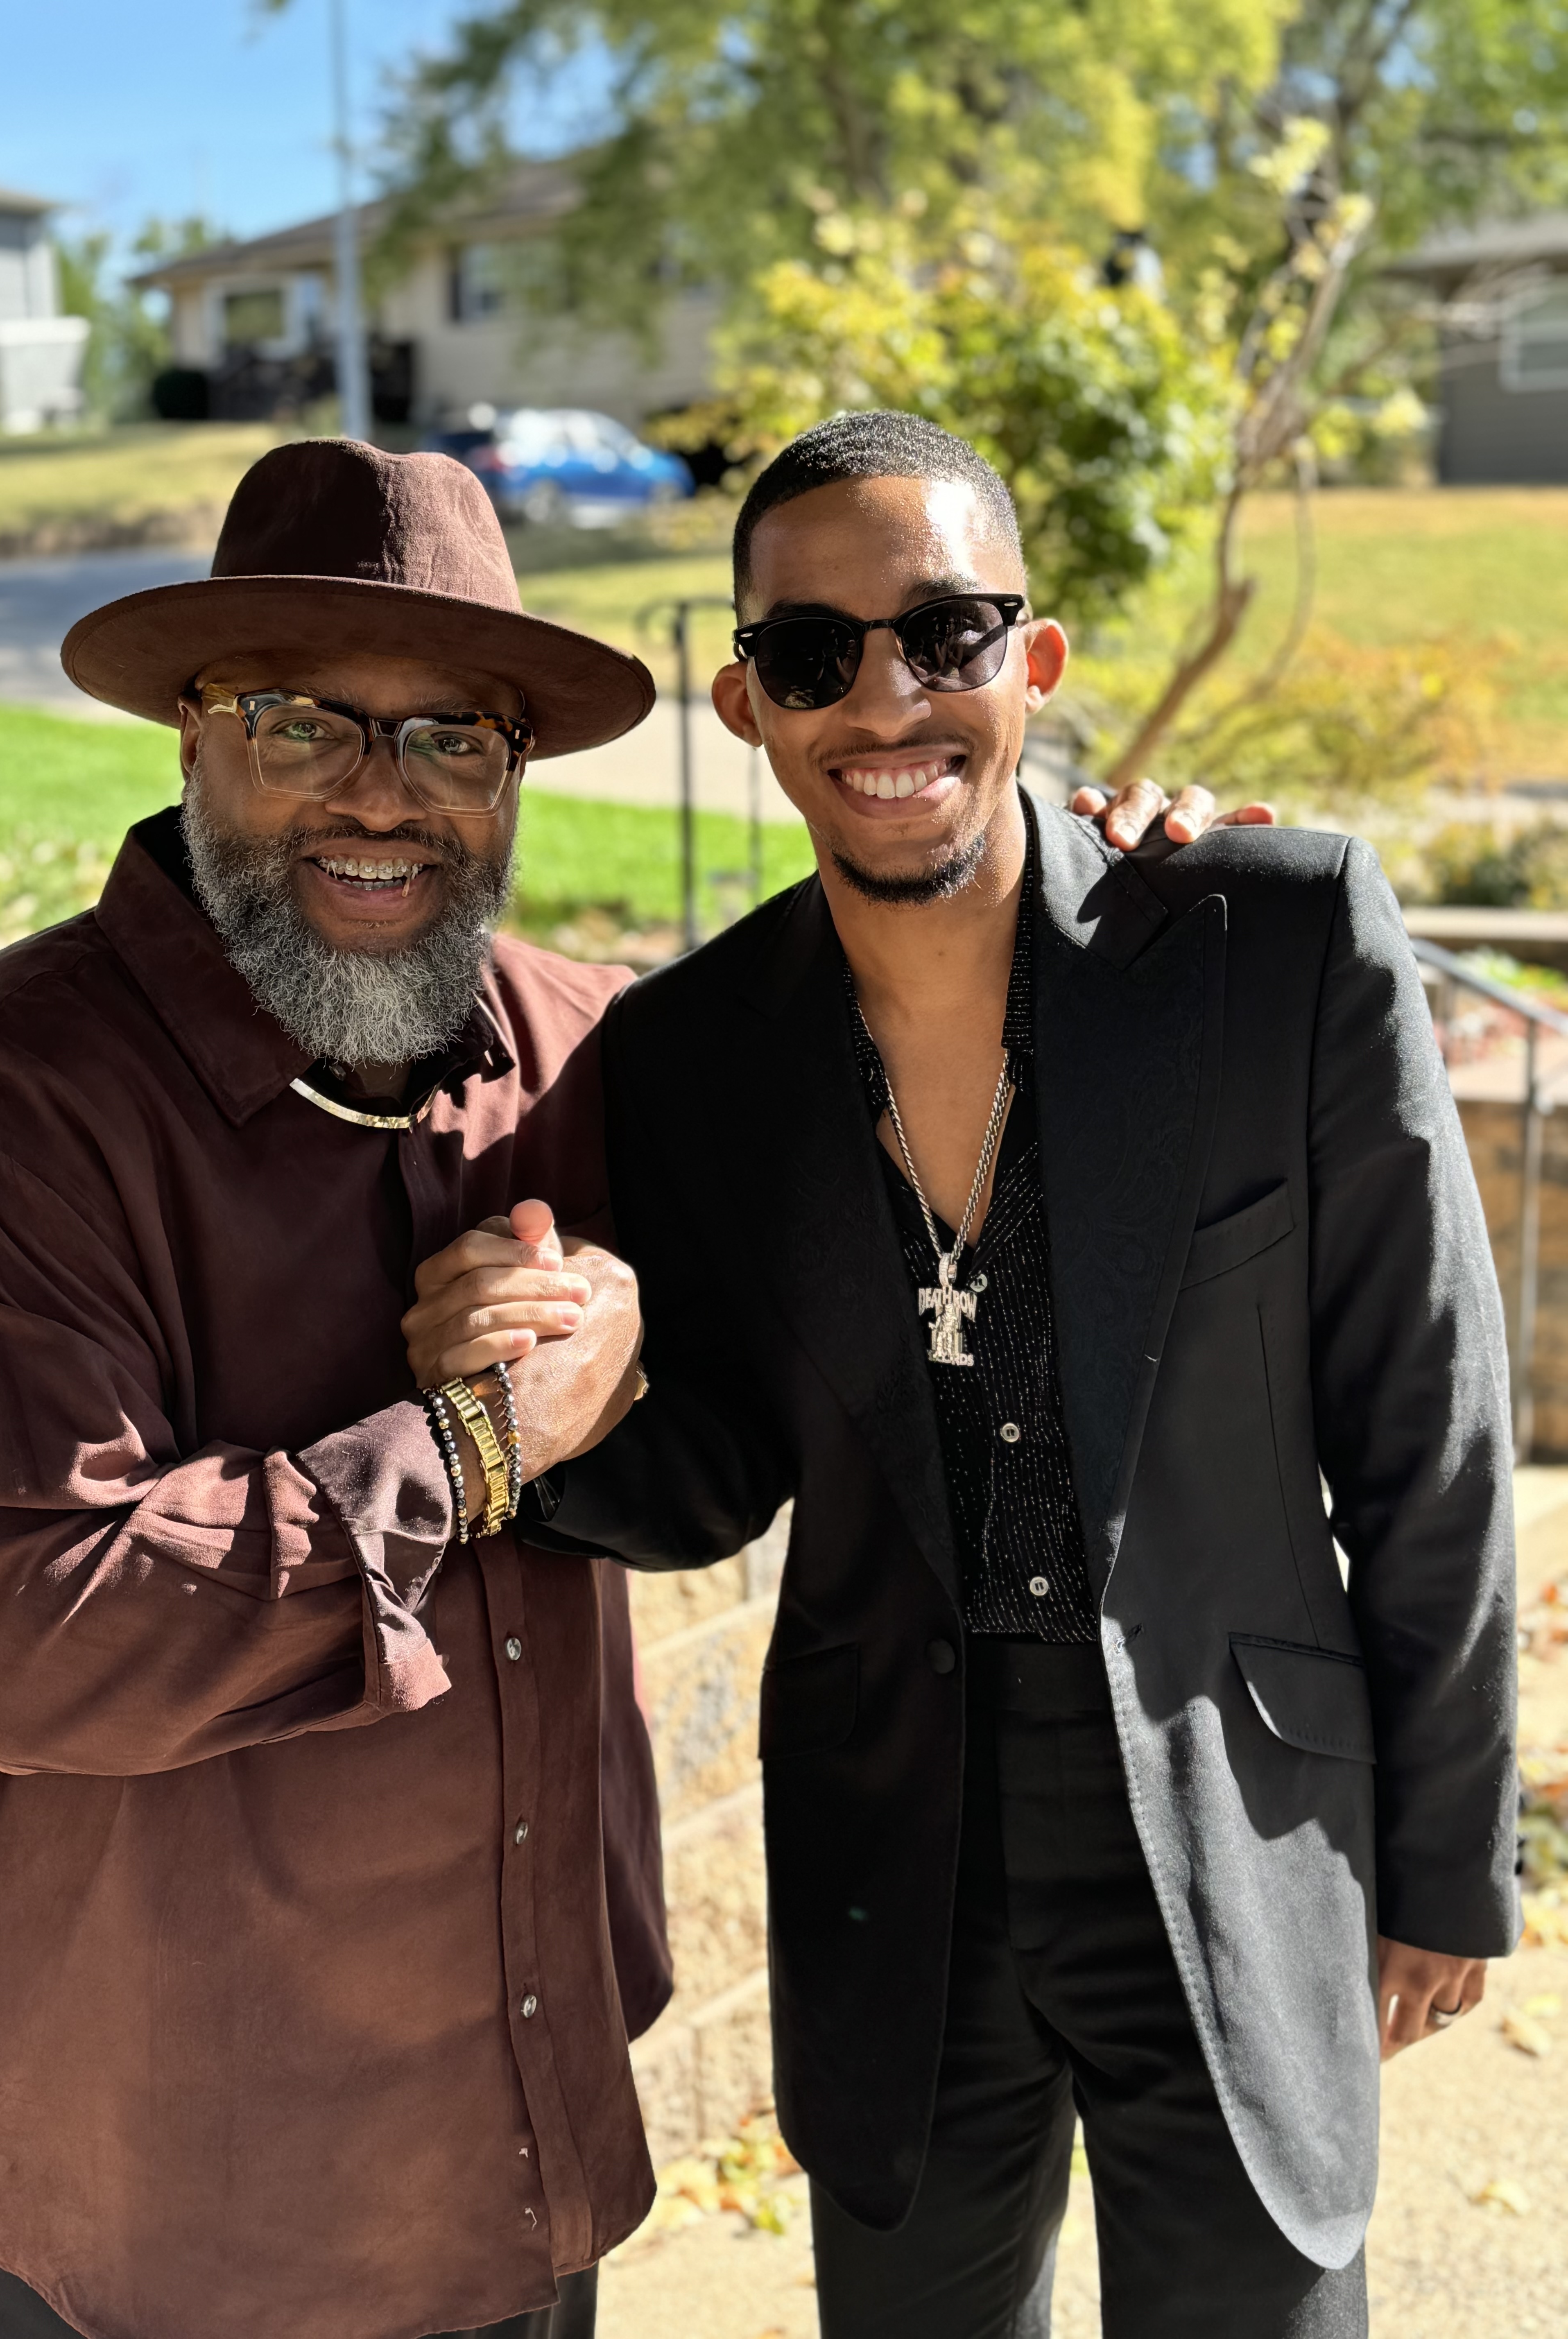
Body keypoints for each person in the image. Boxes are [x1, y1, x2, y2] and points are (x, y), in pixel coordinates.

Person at [408, 410, 1519, 2337]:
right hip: (897, 1873)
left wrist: (1449, 1859)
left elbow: (1431, 1437)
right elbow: (719, 1469)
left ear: (1037, 659)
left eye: (946, 633)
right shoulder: (692, 1056)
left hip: (1240, 1823)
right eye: (813, 653)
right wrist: (521, 1415)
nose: (887, 699)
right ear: (748, 705)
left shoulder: (1273, 940)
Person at [0, 439, 670, 2339]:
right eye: (305, 725)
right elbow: (44, 1637)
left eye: (453, 737)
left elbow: (870, 1169)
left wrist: (623, 1311)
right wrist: (475, 1444)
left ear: (515, 772)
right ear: (194, 733)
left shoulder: (582, 1051)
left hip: (513, 2151)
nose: (384, 795)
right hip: (140, 2198)